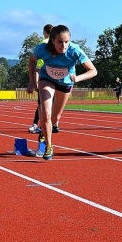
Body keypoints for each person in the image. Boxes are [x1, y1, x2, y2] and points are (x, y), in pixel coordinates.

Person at [28, 25, 98, 160]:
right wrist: (32, 82)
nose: (63, 45)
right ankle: (49, 146)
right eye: (60, 42)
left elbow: (93, 70)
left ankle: (44, 131)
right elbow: (32, 61)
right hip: (47, 80)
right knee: (46, 112)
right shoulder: (42, 49)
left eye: (66, 42)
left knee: (55, 118)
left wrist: (78, 78)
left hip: (65, 83)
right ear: (52, 40)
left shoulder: (74, 50)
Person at [28, 24, 54, 134]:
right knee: (50, 105)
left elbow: (36, 63)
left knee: (42, 104)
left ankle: (38, 124)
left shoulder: (42, 45)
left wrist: (34, 81)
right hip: (57, 78)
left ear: (44, 32)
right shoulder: (59, 43)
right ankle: (52, 124)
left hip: (45, 78)